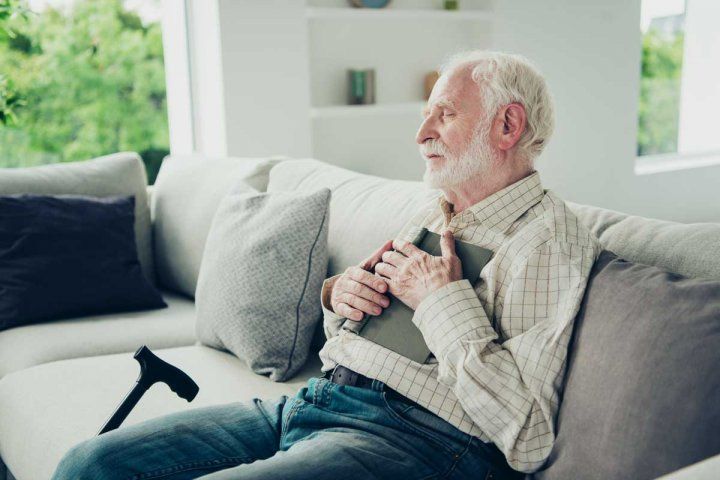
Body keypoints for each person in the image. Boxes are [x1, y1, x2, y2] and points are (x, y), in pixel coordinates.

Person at [52, 50, 601, 480]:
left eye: (446, 114)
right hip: (317, 399)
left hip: (418, 439)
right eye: (425, 114)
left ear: (508, 126)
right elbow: (361, 332)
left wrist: (440, 301)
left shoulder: (547, 239)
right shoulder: (433, 209)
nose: (421, 134)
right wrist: (340, 298)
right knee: (90, 466)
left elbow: (527, 436)